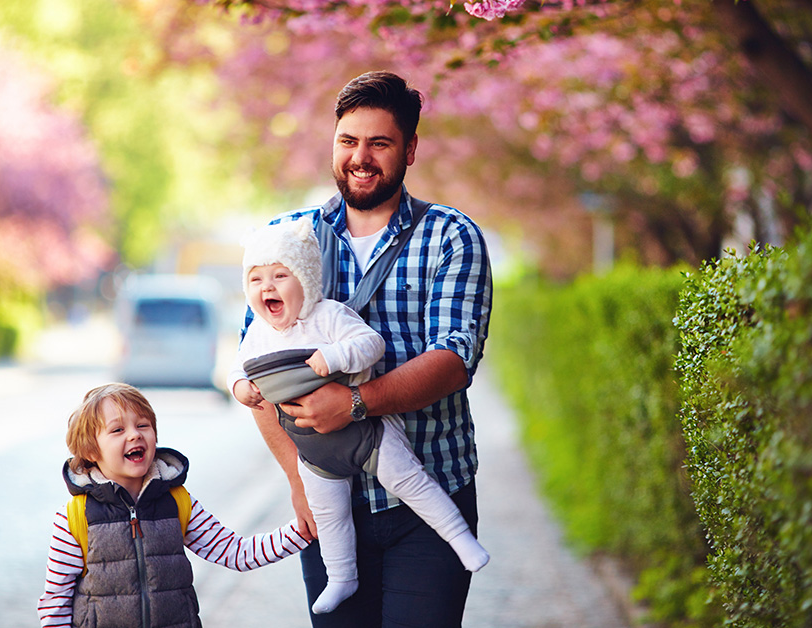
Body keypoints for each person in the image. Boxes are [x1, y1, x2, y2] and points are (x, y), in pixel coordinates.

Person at [240, 70, 493, 627]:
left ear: (410, 149)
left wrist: (355, 403)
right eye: (348, 141)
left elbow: (453, 360)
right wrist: (297, 481)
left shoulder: (452, 236)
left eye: (379, 143)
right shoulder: (286, 238)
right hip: (330, 505)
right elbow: (258, 376)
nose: (361, 157)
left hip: (429, 493)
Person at [228, 219, 489, 615]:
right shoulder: (260, 329)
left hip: (378, 441)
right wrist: (240, 388)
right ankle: (341, 578)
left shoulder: (328, 314)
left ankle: (459, 538)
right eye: (257, 279)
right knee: (330, 516)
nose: (267, 286)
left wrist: (336, 367)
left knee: (411, 480)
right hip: (317, 458)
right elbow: (241, 368)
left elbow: (384, 346)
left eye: (280, 276)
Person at [37, 383, 311, 628]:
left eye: (142, 425)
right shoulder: (75, 517)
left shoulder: (178, 501)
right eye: (118, 429)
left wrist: (303, 530)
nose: (134, 435)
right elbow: (55, 602)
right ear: (91, 451)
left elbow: (236, 552)